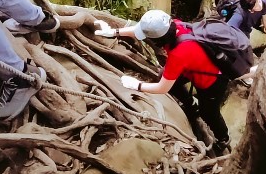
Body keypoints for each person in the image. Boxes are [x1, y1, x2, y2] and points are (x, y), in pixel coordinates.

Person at [95, 10, 231, 153]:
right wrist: (112, 32)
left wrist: (137, 85)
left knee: (209, 113)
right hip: (194, 68)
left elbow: (162, 88)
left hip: (212, 81)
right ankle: (191, 106)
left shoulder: (179, 53)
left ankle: (223, 138)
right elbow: (137, 30)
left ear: (159, 40)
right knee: (164, 75)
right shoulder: (174, 25)